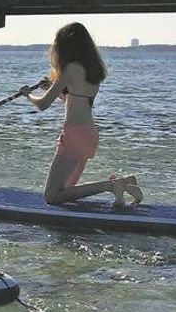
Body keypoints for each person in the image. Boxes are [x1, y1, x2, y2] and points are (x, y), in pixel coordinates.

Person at [21, 22, 142, 207]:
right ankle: (125, 182)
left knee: (52, 197)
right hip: (89, 134)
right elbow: (75, 100)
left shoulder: (69, 68)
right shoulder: (93, 69)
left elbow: (43, 104)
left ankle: (111, 185)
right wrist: (55, 90)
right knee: (65, 192)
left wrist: (27, 94)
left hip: (74, 135)